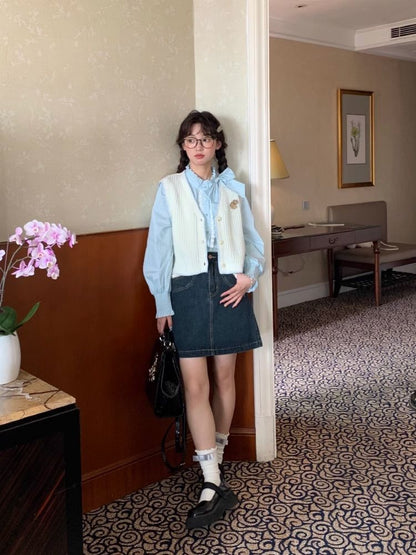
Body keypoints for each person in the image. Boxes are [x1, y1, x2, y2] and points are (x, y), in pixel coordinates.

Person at [143, 110, 264, 529]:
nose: (198, 146)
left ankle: (218, 459)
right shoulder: (169, 188)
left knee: (226, 378)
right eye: (191, 140)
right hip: (188, 289)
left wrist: (249, 276)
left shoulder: (233, 188)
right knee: (196, 385)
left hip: (230, 286)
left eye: (206, 139)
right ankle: (211, 479)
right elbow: (159, 250)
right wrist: (162, 303)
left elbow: (253, 241)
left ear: (217, 144)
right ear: (183, 146)